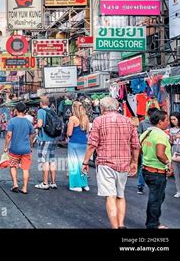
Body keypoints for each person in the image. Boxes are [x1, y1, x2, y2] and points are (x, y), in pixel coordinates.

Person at [82, 97, 140, 229]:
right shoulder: (128, 121)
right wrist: (134, 162)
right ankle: (121, 224)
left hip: (106, 163)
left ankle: (115, 227)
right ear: (117, 106)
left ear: (102, 108)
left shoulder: (99, 120)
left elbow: (92, 144)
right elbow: (136, 145)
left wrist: (85, 162)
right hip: (124, 163)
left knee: (110, 196)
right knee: (120, 195)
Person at [140, 109, 173, 229]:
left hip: (146, 170)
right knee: (155, 199)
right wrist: (168, 163)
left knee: (158, 197)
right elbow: (160, 154)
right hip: (156, 172)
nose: (168, 122)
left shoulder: (146, 133)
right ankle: (152, 225)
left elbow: (141, 150)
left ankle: (154, 222)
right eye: (167, 120)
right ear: (160, 122)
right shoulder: (161, 135)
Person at [4, 102, 35, 194]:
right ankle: (25, 188)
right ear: (25, 111)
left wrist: (6, 147)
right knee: (25, 169)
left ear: (16, 110)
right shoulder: (28, 122)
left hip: (14, 149)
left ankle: (15, 184)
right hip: (26, 149)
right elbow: (32, 136)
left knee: (13, 166)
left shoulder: (12, 121)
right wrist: (31, 146)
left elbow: (9, 135)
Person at [34, 96, 58, 190]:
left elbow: (40, 124)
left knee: (44, 161)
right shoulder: (52, 111)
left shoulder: (41, 111)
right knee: (51, 160)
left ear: (41, 103)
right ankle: (53, 182)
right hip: (53, 138)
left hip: (44, 139)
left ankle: (45, 183)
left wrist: (35, 127)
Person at [66, 101, 90, 192]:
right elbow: (87, 132)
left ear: (73, 108)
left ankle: (76, 185)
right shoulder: (85, 118)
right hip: (84, 143)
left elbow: (69, 133)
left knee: (74, 164)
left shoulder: (72, 118)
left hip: (74, 143)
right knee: (83, 163)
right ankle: (84, 184)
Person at [137, 107, 159, 195]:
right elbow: (139, 134)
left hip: (157, 147)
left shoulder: (159, 122)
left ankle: (154, 186)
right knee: (144, 166)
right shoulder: (143, 123)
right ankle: (140, 185)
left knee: (156, 167)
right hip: (146, 148)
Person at [169, 112, 180, 200]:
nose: (173, 121)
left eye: (174, 119)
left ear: (179, 119)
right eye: (171, 119)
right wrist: (171, 139)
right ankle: (179, 191)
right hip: (175, 150)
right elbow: (171, 142)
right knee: (176, 172)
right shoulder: (171, 129)